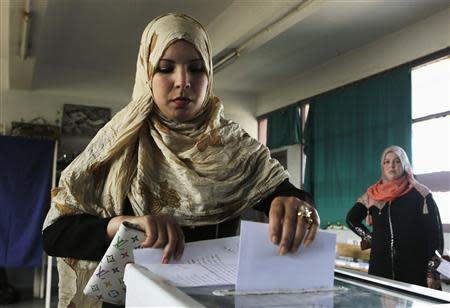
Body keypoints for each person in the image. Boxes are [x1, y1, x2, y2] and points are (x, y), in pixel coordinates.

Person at [42, 13, 320, 308]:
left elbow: (288, 196)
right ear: (147, 73)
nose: (183, 81)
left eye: (196, 69)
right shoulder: (119, 144)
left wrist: (296, 204)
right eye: (165, 69)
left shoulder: (233, 146)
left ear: (209, 75)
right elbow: (56, 234)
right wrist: (120, 225)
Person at [346, 145, 443, 289]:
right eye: (387, 161)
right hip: (380, 269)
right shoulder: (372, 195)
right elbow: (351, 219)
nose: (391, 165)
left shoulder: (421, 194)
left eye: (397, 161)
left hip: (414, 270)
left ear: (404, 164)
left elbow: (435, 237)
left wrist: (432, 271)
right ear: (382, 166)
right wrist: (370, 238)